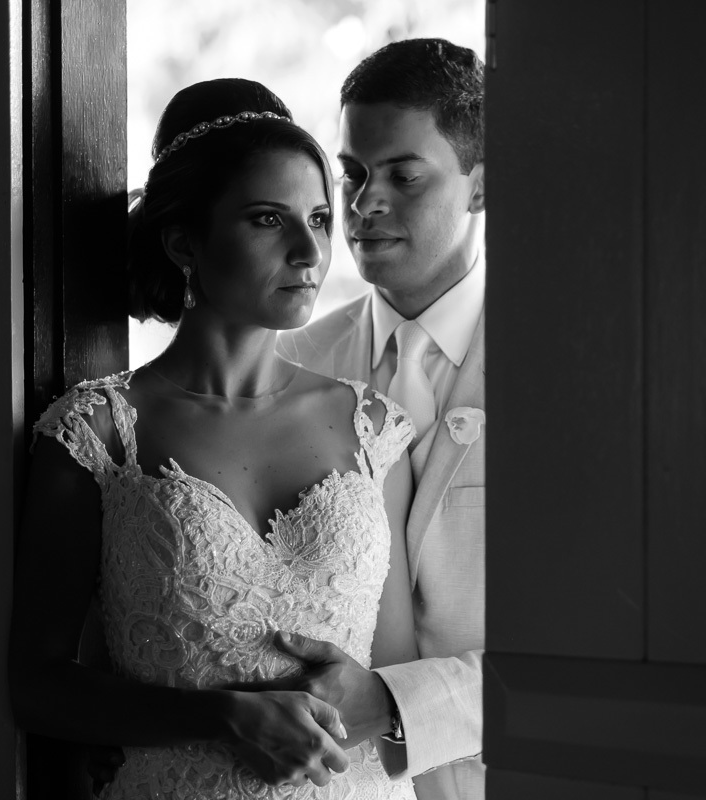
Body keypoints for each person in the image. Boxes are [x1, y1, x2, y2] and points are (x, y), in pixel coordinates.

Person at [8, 78, 419, 799]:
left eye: (320, 218)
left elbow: (395, 675)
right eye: (268, 219)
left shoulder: (374, 429)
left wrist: (379, 701)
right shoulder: (96, 434)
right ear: (183, 241)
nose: (308, 249)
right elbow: (37, 687)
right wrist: (218, 716)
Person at [275, 39, 487, 800]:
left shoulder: (570, 373)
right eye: (354, 173)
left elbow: (597, 645)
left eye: (402, 175)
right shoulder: (292, 359)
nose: (364, 203)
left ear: (481, 186)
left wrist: (398, 704)